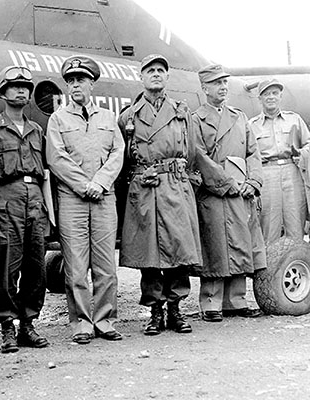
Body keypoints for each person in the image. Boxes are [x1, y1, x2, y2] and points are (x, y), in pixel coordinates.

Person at [118, 54, 201, 336]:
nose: (155, 74)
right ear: (141, 77)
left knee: (179, 248)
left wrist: (175, 173)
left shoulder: (181, 111)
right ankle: (155, 311)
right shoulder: (128, 116)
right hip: (144, 187)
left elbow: (191, 152)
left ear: (167, 77)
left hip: (175, 184)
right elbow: (123, 158)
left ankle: (176, 309)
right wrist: (143, 174)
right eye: (150, 70)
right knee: (148, 252)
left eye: (160, 71)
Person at [46, 55, 124, 344]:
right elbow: (56, 158)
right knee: (76, 267)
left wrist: (100, 183)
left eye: (81, 80)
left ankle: (105, 320)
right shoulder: (58, 119)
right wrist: (84, 185)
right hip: (73, 200)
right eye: (71, 81)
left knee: (105, 266)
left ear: (92, 83)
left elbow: (118, 153)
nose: (75, 85)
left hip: (103, 199)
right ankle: (81, 323)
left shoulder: (107, 118)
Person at [0, 66, 49, 353]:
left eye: (25, 87)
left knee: (37, 268)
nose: (21, 91)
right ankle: (7, 326)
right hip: (5, 199)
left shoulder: (36, 131)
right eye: (15, 86)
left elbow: (46, 171)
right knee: (8, 268)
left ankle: (28, 324)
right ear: (3, 93)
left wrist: (47, 210)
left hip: (35, 200)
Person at [192, 64, 265, 322]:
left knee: (241, 244)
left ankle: (237, 300)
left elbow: (253, 153)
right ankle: (211, 303)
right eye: (217, 83)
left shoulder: (240, 116)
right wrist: (226, 183)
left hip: (242, 191)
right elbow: (198, 156)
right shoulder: (196, 119)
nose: (223, 87)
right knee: (216, 246)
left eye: (225, 83)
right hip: (214, 192)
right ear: (204, 89)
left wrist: (253, 181)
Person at [249, 78, 310, 244]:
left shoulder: (294, 119)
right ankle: (269, 267)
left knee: (296, 220)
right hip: (266, 174)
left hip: (292, 172)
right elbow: (247, 154)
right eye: (266, 94)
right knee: (269, 224)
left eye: (275, 93)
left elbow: (308, 143)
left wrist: (302, 154)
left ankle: (297, 264)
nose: (271, 97)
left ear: (280, 96)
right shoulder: (251, 125)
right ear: (259, 98)